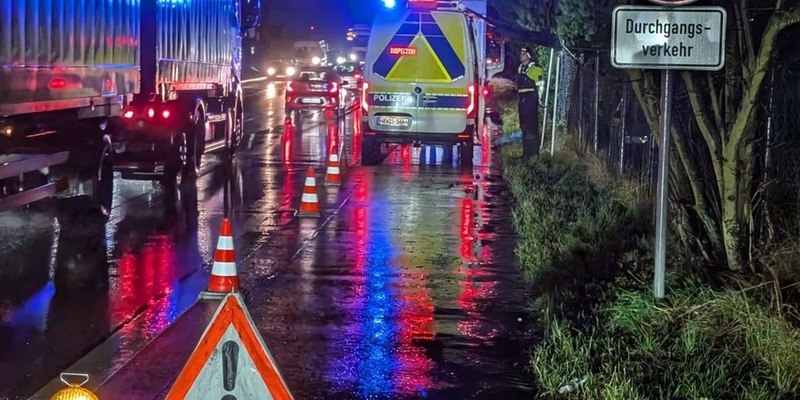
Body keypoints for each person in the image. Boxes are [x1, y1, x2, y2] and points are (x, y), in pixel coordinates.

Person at [515, 47, 544, 157]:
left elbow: (540, 85)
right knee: (523, 126)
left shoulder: (535, 69)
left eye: (523, 54)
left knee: (531, 126)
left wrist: (539, 99)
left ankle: (533, 153)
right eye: (520, 54)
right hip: (522, 98)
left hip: (530, 98)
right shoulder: (520, 68)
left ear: (529, 55)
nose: (521, 56)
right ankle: (526, 152)